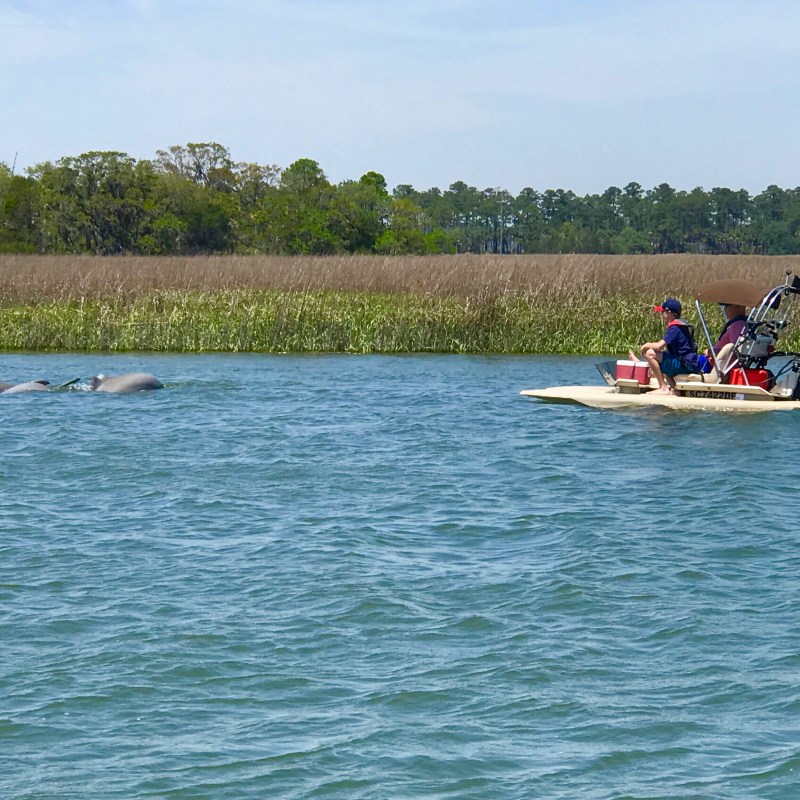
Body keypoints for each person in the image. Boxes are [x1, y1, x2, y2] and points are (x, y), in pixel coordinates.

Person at [629, 297, 701, 394]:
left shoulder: (675, 328)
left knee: (650, 353)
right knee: (663, 357)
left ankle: (663, 388)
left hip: (685, 364)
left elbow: (659, 346)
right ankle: (675, 389)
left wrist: (646, 345)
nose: (661, 314)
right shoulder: (681, 326)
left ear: (670, 313)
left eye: (663, 311)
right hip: (690, 363)